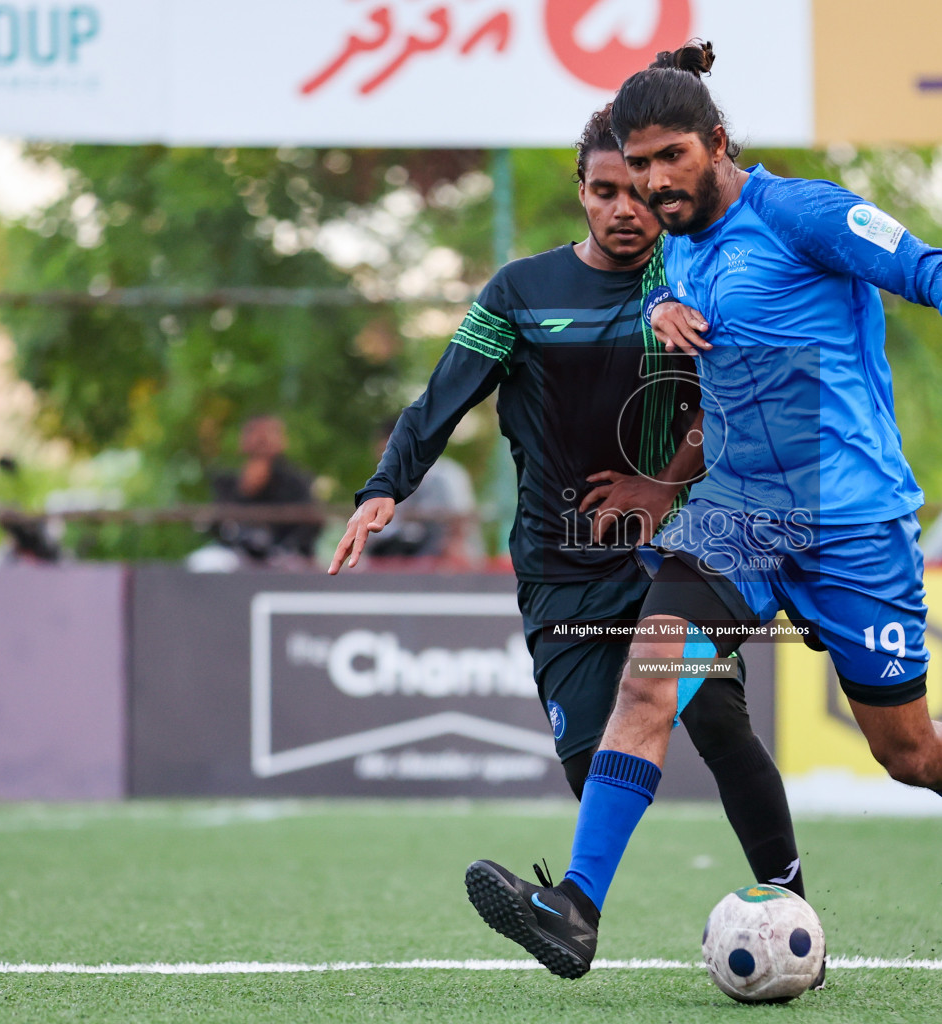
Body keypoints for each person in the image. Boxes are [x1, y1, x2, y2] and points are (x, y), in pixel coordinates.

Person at [463, 42, 942, 980]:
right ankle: (577, 908)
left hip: (852, 525)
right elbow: (718, 337)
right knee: (649, 681)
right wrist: (663, 312)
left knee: (907, 750)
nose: (653, 185)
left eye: (672, 158)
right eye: (637, 168)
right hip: (740, 516)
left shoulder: (804, 212)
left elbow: (932, 269)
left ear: (717, 143)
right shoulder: (674, 246)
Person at [329, 105, 810, 921]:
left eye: (638, 193)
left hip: (667, 558)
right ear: (580, 193)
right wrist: (385, 487)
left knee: (723, 725)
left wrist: (663, 485)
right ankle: (583, 903)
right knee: (593, 764)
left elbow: (734, 404)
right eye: (603, 191)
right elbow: (442, 397)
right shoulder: (520, 294)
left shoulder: (691, 282)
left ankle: (792, 908)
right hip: (559, 570)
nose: (625, 210)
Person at [363, 417, 484, 565]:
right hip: (406, 554)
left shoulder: (445, 475)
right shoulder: (387, 484)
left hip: (443, 559)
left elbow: (460, 521)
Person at [209, 415, 320, 562]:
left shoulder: (297, 481)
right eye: (255, 432)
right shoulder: (227, 481)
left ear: (282, 440)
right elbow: (216, 525)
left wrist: (284, 549)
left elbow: (309, 527)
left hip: (286, 556)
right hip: (235, 555)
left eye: (269, 432)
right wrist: (244, 491)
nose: (262, 439)